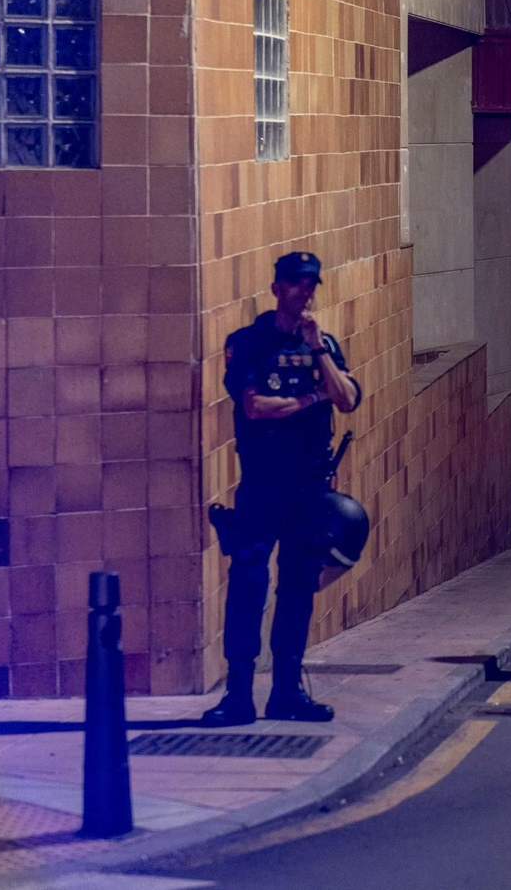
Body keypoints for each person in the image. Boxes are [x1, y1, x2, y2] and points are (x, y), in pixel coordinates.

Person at [205, 252, 363, 727]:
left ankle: (287, 691)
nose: (305, 291)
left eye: (311, 283)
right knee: (250, 582)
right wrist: (313, 397)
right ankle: (237, 693)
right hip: (263, 483)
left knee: (297, 587)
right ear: (277, 288)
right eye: (295, 283)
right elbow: (256, 406)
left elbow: (350, 398)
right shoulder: (248, 343)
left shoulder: (324, 343)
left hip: (309, 487)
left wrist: (318, 353)